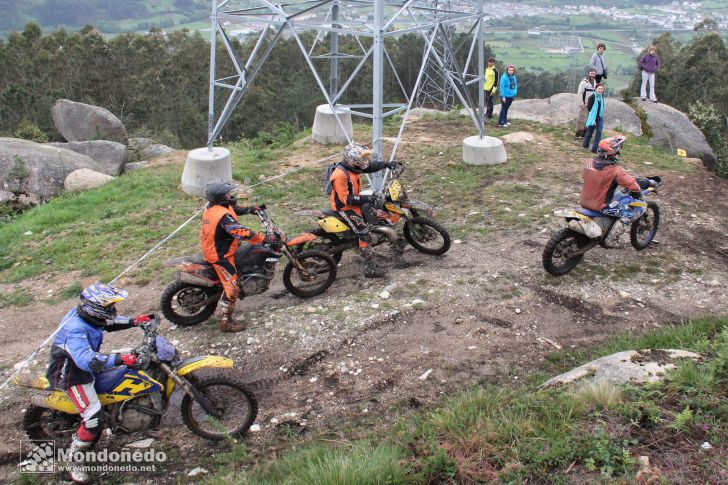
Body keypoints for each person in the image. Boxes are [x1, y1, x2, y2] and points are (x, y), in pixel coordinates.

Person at [46, 283, 149, 483]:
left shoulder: (88, 316)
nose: (112, 310)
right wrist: (121, 358)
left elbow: (107, 322)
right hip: (72, 376)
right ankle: (73, 462)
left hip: (85, 368)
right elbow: (88, 360)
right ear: (96, 309)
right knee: (94, 419)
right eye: (108, 307)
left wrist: (134, 321)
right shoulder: (75, 329)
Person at [199, 180, 268, 332]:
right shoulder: (222, 216)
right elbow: (240, 231)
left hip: (221, 245)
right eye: (228, 194)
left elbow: (234, 209)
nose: (231, 195)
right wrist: (263, 238)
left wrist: (251, 209)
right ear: (221, 198)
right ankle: (226, 323)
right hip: (219, 255)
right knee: (232, 290)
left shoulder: (215, 206)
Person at [329, 142, 398, 278]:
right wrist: (367, 198)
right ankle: (370, 269)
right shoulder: (340, 175)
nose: (365, 161)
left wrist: (386, 164)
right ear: (353, 159)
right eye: (363, 158)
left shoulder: (354, 166)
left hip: (355, 201)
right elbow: (346, 200)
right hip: (345, 208)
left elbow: (370, 166)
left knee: (375, 209)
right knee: (364, 234)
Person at [579, 136, 656, 219]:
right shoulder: (616, 171)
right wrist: (648, 182)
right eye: (618, 151)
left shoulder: (589, 163)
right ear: (614, 154)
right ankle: (620, 229)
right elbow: (633, 185)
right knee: (635, 210)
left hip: (584, 202)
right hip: (602, 207)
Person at [583, 83, 605, 153]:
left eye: (602, 89)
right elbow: (589, 110)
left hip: (600, 117)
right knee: (590, 131)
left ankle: (594, 149)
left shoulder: (601, 97)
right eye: (599, 89)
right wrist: (593, 120)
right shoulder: (591, 97)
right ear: (595, 89)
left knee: (599, 132)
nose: (600, 90)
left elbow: (601, 107)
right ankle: (585, 145)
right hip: (593, 117)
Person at [575, 68, 597, 138]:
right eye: (591, 73)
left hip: (592, 104)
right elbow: (580, 93)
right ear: (588, 73)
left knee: (588, 119)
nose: (593, 75)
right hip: (584, 104)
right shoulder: (583, 82)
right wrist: (581, 102)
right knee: (581, 119)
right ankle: (578, 134)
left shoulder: (595, 82)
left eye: (594, 74)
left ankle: (584, 134)